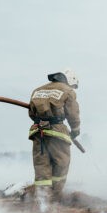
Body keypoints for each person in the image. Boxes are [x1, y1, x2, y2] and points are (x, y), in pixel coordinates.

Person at [28, 69, 81, 202]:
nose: (72, 88)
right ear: (70, 80)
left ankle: (42, 203)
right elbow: (73, 114)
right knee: (61, 165)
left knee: (42, 168)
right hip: (57, 132)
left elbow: (31, 114)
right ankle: (55, 200)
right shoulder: (67, 91)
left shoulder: (37, 90)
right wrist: (75, 130)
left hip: (38, 132)